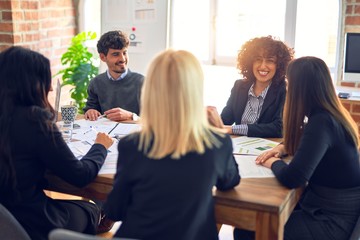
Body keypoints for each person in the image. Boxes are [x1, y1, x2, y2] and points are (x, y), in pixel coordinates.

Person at [103, 49, 241, 240]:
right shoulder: (217, 143)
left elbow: (115, 210)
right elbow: (229, 182)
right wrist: (219, 132)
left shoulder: (132, 145)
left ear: (151, 91)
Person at [235, 56, 360, 240]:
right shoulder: (330, 115)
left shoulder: (321, 122)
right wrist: (283, 147)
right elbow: (313, 144)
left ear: (300, 88)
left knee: (246, 231)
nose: (287, 87)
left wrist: (272, 161)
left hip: (331, 220)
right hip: (333, 208)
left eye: (288, 82)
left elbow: (293, 178)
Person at [0, 46, 114, 240]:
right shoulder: (34, 120)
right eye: (45, 80)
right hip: (31, 223)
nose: (51, 87)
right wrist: (100, 146)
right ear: (30, 83)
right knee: (91, 209)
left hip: (6, 219)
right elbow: (80, 176)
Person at [207, 35, 294, 137]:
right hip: (239, 147)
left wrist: (233, 129)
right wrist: (211, 119)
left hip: (268, 149)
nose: (262, 66)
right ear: (250, 62)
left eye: (270, 61)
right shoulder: (239, 86)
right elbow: (226, 119)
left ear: (279, 65)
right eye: (258, 59)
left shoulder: (284, 90)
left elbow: (279, 128)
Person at [83, 30, 144, 121]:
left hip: (135, 134)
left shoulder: (143, 83)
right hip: (105, 134)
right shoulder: (96, 83)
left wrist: (131, 116)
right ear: (103, 57)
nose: (122, 59)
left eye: (124, 53)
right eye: (116, 54)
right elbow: (90, 108)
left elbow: (155, 119)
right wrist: (91, 111)